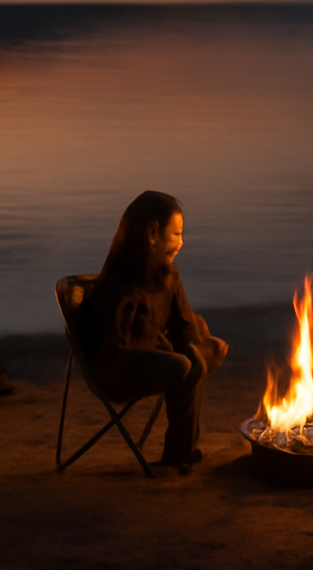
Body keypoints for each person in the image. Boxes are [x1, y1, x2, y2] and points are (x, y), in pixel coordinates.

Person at [80, 190, 228, 475]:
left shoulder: (169, 276)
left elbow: (183, 327)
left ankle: (180, 454)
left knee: (193, 359)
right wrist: (167, 352)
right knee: (181, 362)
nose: (181, 243)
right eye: (175, 235)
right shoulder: (121, 282)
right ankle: (177, 455)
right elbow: (113, 347)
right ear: (152, 233)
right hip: (115, 370)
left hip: (151, 359)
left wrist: (205, 341)